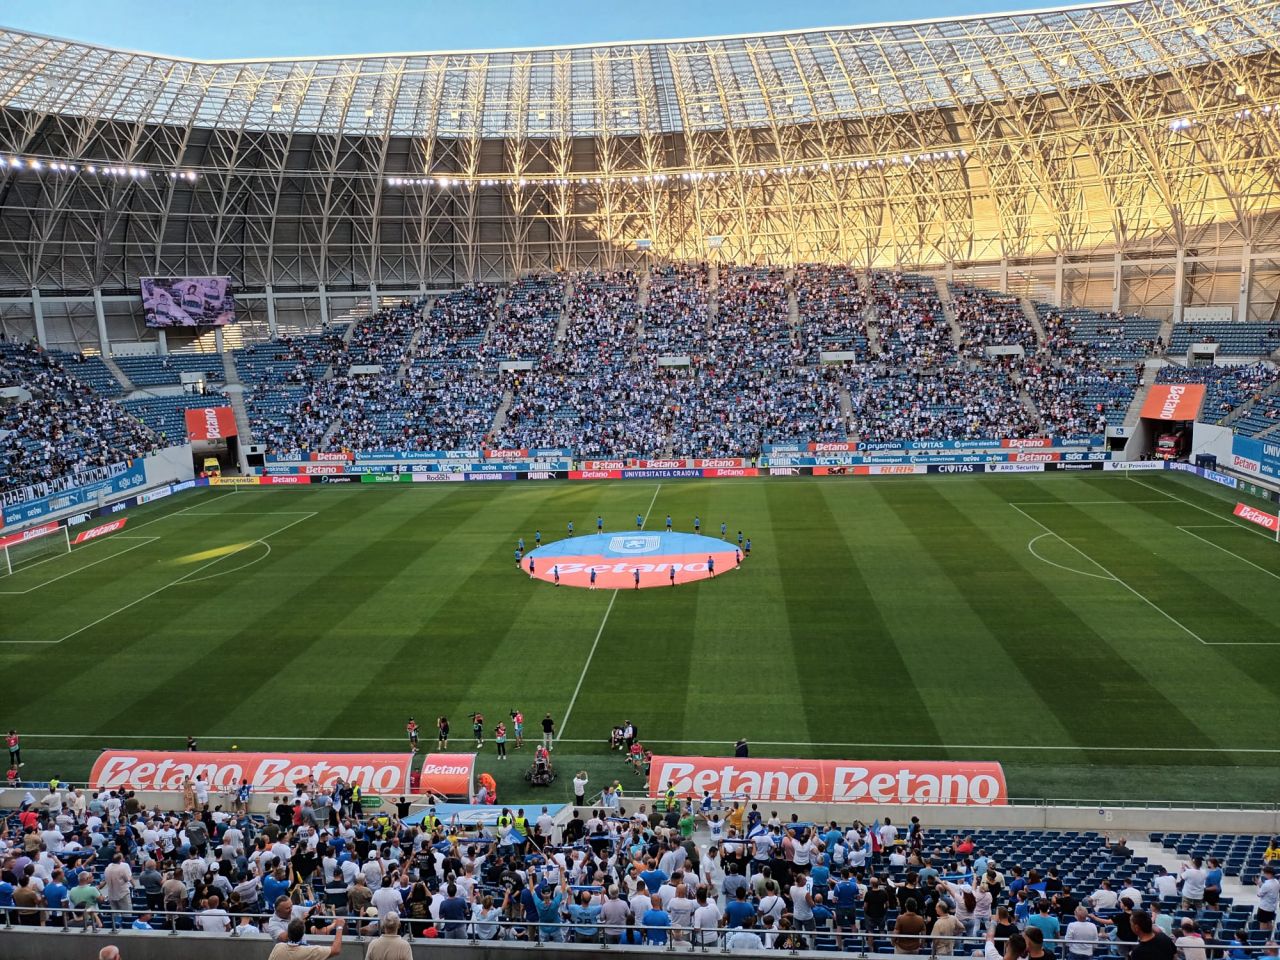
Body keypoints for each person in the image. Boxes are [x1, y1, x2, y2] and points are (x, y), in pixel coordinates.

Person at [267, 918, 344, 959]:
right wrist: (339, 927)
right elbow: (336, 950)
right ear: (303, 934)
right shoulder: (311, 951)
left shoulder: (278, 947)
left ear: (288, 932)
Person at [1258, 866, 1279, 933]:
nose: (1264, 874)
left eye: (1265, 873)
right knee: (1269, 922)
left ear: (1269, 874)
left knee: (1263, 924)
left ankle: (1262, 937)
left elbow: (1259, 894)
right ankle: (1271, 937)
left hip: (1264, 907)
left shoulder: (1266, 884)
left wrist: (1259, 884)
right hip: (1272, 907)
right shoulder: (1276, 882)